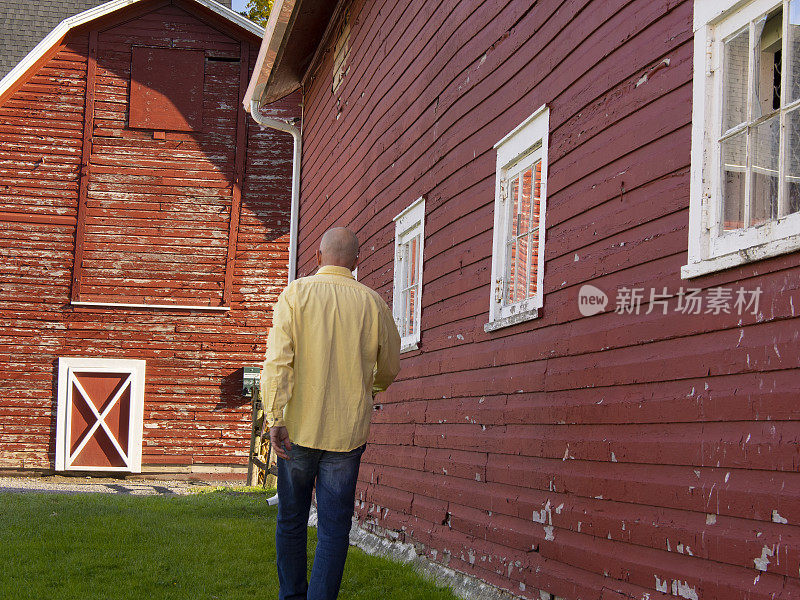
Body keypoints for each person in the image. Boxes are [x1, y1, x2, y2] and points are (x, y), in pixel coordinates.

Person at [261, 227, 401, 600]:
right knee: (335, 530)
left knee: (291, 521)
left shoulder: (295, 295)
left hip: (298, 430)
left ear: (318, 257)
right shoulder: (373, 303)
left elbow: (277, 362)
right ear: (357, 262)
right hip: (346, 433)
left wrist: (274, 417)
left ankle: (292, 596)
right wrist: (368, 390)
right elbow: (389, 365)